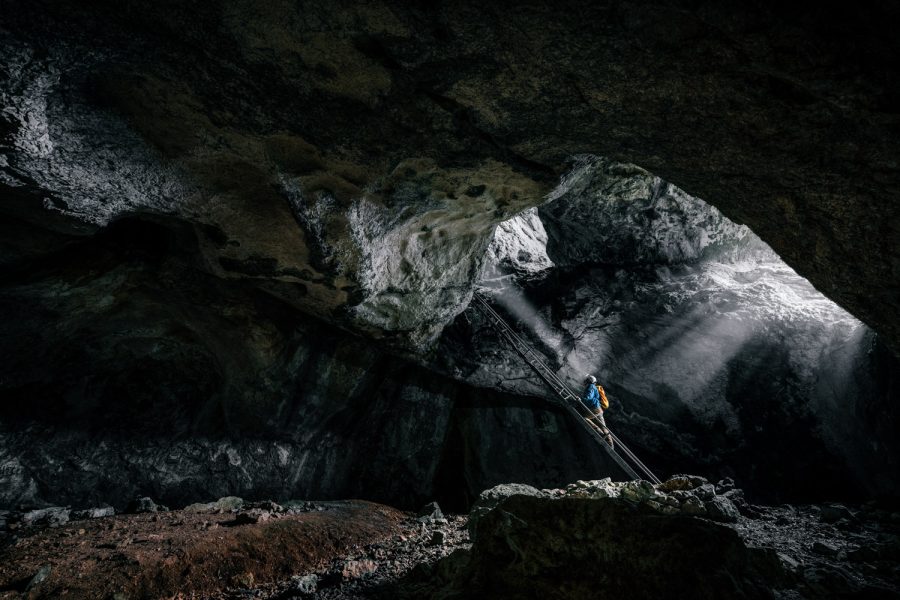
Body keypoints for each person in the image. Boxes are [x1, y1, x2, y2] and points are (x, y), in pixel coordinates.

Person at [582, 375, 613, 447]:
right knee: (603, 427)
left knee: (585, 418)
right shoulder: (594, 387)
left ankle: (600, 433)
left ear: (588, 381)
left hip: (595, 408)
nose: (584, 381)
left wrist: (581, 399)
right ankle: (610, 444)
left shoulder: (591, 386)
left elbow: (588, 397)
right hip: (599, 409)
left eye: (586, 380)